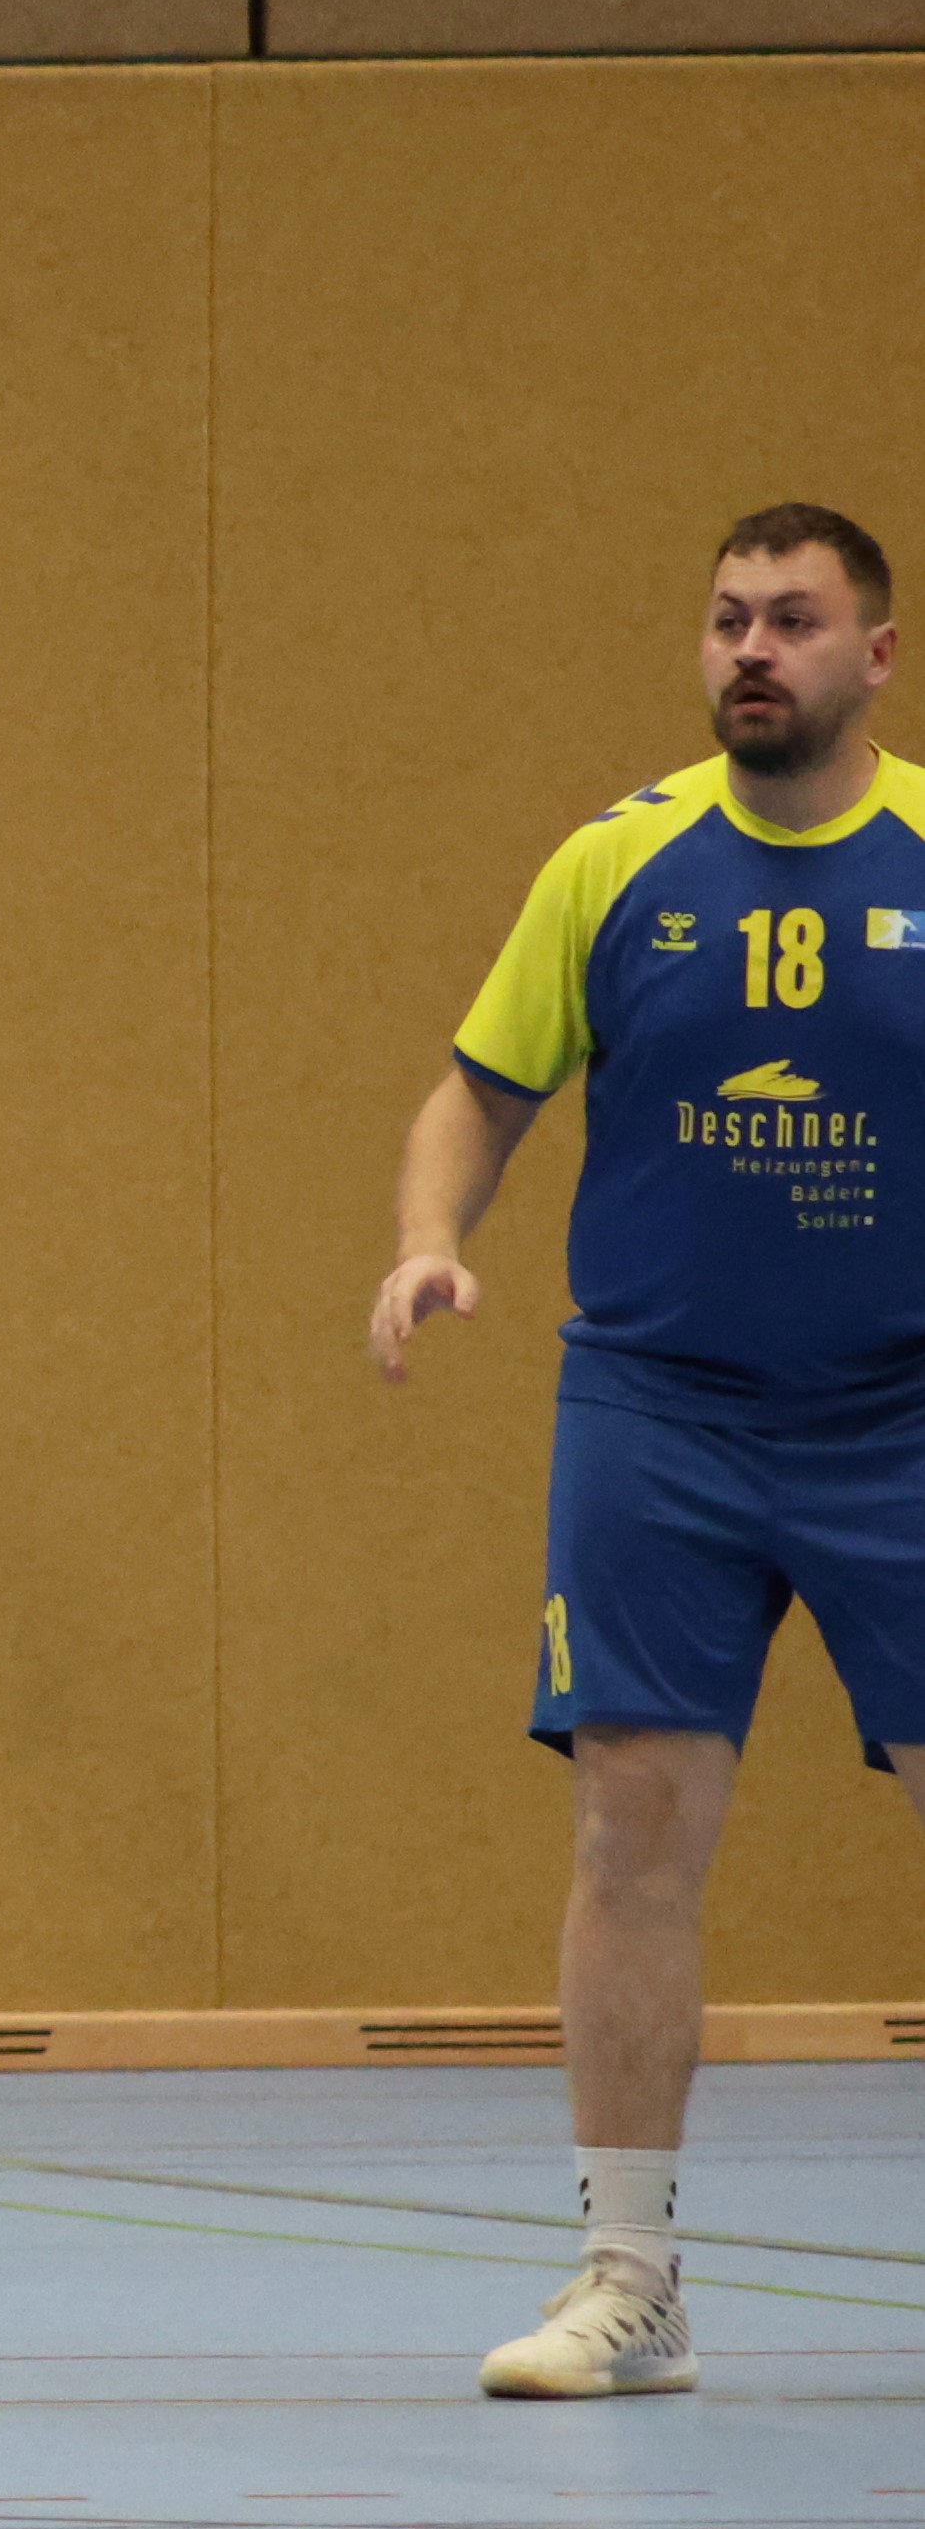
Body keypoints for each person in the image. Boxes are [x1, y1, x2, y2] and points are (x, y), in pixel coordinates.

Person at [372, 503, 912, 2403]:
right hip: (656, 1411)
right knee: (632, 1823)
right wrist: (428, 1237)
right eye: (727, 618)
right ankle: (629, 2277)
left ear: (873, 656)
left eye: (793, 620)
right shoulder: (613, 862)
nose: (751, 648)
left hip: (902, 1416)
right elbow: (476, 1088)